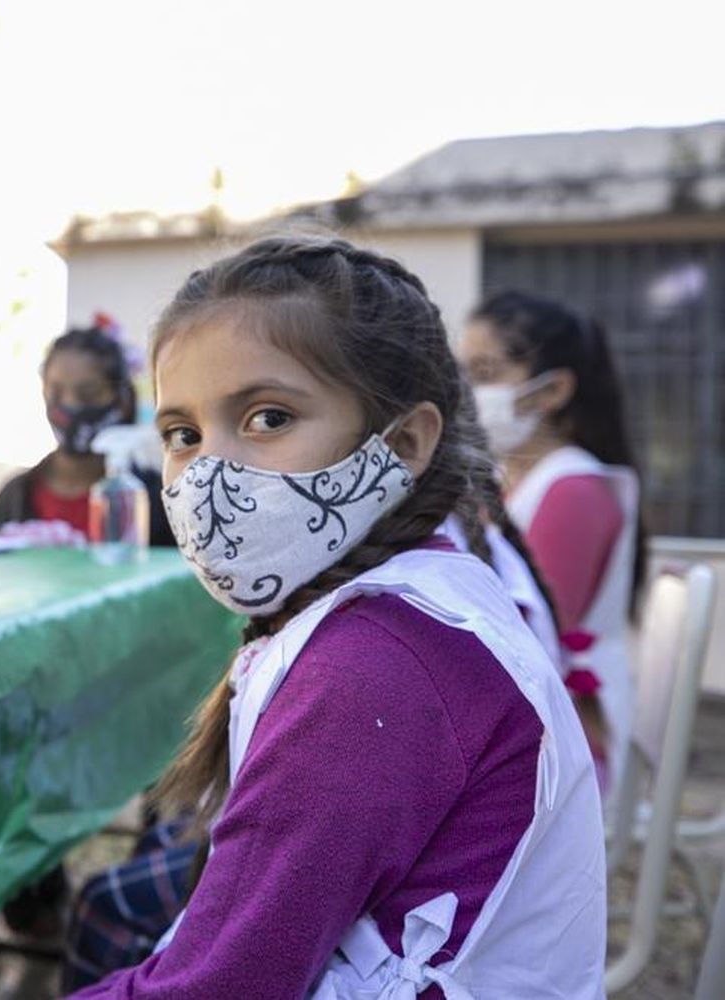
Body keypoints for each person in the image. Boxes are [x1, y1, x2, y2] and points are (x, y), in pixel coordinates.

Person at [70, 237, 606, 999]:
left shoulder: (373, 670)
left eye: (267, 417)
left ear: (406, 443)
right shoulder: (382, 614)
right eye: (182, 434)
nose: (209, 476)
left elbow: (216, 988)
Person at [461, 290, 644, 790]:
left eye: (485, 373)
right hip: (530, 728)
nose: (467, 391)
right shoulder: (508, 481)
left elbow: (525, 639)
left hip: (567, 751)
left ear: (553, 390)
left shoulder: (573, 491)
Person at [0, 314, 175, 548]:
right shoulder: (14, 497)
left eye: (89, 394)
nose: (70, 405)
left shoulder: (156, 497)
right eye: (55, 392)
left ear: (122, 400)